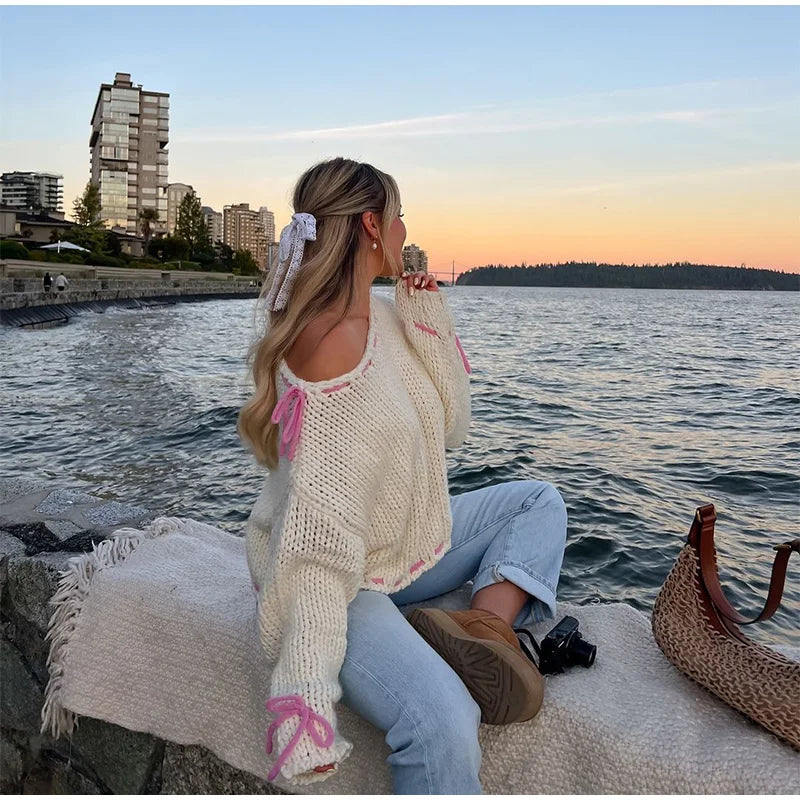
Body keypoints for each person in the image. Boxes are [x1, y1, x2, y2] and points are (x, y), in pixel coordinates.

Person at [238, 157, 568, 792]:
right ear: (371, 224)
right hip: (341, 580)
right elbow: (315, 542)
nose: (406, 230)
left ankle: (484, 629)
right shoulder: (328, 344)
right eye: (399, 216)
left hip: (401, 544)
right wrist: (304, 695)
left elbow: (452, 427)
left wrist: (429, 322)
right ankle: (449, 648)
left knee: (538, 503)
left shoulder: (387, 318)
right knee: (445, 722)